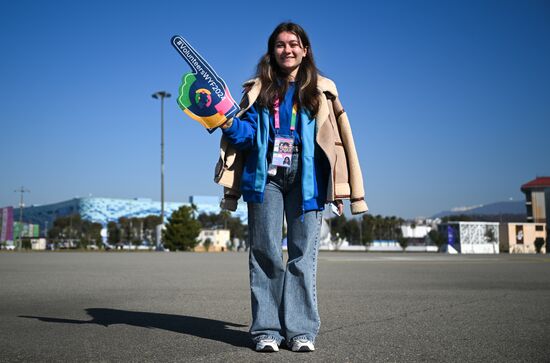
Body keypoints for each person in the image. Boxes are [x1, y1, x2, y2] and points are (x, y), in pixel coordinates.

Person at [216, 22, 368, 352]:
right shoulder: (258, 90)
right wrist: (227, 122)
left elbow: (338, 141)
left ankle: (301, 331)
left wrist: (338, 186)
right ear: (273, 51)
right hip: (264, 174)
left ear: (305, 50)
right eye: (280, 45)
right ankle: (267, 330)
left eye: (293, 44)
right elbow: (245, 136)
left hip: (308, 175)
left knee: (302, 256)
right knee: (265, 253)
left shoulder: (323, 89)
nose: (287, 49)